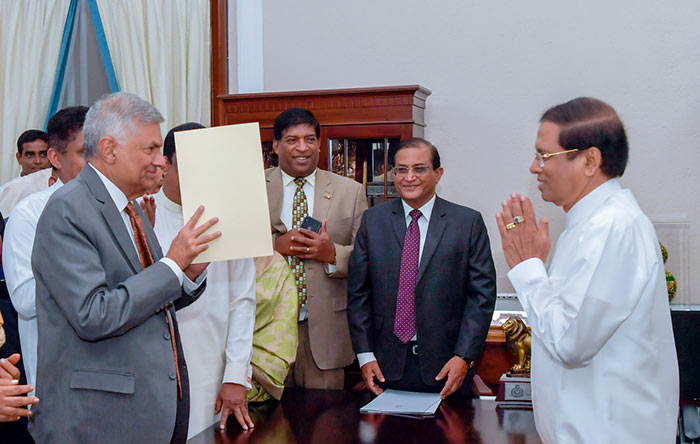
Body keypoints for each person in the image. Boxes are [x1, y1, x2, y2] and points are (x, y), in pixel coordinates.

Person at [29, 92, 220, 444]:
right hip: (96, 420)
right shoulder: (69, 210)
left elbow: (144, 300)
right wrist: (171, 264)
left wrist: (186, 275)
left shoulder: (130, 208)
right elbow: (93, 314)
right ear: (109, 149)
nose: (161, 161)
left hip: (141, 413)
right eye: (149, 149)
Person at [497, 97, 679, 443]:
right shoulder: (589, 225)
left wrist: (527, 268)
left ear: (590, 160)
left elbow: (570, 344)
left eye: (543, 156)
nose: (535, 168)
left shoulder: (611, 227)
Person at [347, 137, 497, 398]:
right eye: (401, 170)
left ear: (438, 173)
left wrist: (464, 356)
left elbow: (481, 297)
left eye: (419, 168)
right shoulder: (373, 221)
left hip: (448, 365)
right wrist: (364, 355)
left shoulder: (467, 222)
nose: (409, 177)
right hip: (384, 366)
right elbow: (358, 294)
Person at [152, 122, 256, 436]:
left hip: (212, 366)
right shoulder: (142, 214)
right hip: (154, 368)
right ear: (166, 164)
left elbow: (243, 302)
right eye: (188, 168)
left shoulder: (231, 217)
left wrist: (236, 374)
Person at [266, 108, 368, 389]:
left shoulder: (350, 191)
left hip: (325, 333)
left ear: (320, 144)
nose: (302, 148)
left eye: (310, 139)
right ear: (275, 146)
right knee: (264, 427)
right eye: (292, 140)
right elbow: (232, 253)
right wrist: (276, 247)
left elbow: (369, 258)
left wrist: (332, 254)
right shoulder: (252, 188)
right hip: (264, 331)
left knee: (325, 428)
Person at [3, 106, 88, 393]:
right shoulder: (29, 214)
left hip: (122, 379)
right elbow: (25, 300)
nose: (96, 164)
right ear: (56, 157)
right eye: (84, 153)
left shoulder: (125, 209)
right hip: (59, 380)